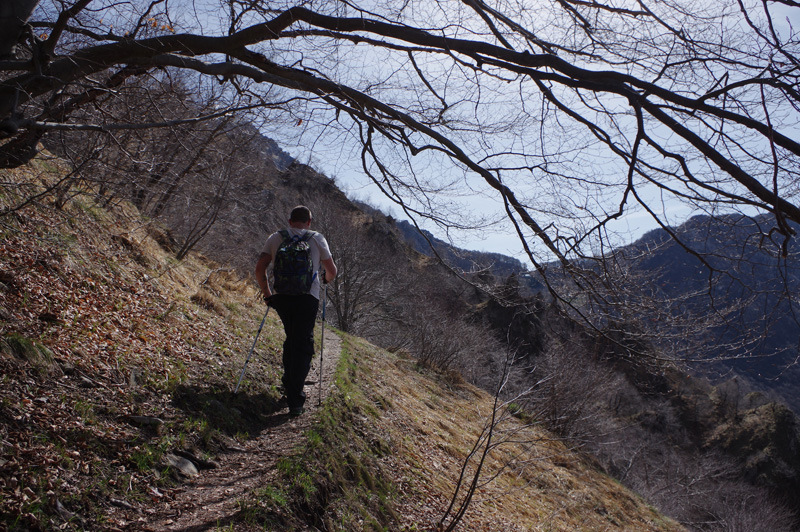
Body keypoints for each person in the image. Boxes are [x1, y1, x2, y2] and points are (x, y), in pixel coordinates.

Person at [255, 206, 337, 416]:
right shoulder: (317, 238)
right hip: (308, 297)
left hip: (282, 297)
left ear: (290, 220)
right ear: (309, 222)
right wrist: (325, 280)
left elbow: (260, 268)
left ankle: (288, 383)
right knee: (303, 344)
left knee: (292, 338)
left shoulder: (275, 238)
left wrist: (267, 293)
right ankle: (295, 399)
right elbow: (332, 271)